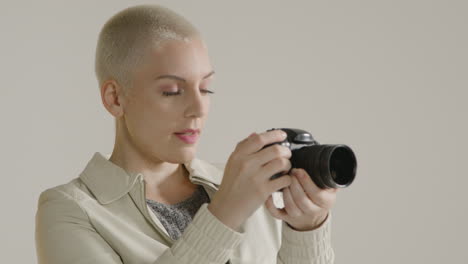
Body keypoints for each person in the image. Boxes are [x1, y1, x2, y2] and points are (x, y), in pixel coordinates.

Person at [35, 4, 337, 264]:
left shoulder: (247, 187)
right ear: (115, 98)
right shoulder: (69, 210)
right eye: (172, 91)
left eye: (206, 88)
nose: (198, 108)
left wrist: (308, 229)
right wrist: (224, 215)